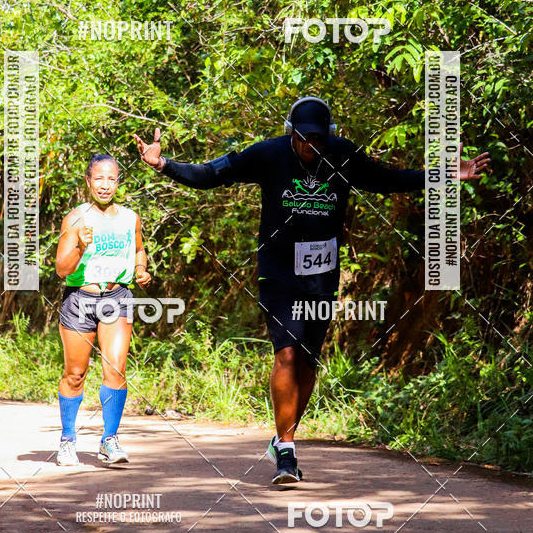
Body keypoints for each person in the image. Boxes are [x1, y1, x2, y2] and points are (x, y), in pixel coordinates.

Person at [134, 97, 491, 484]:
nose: (310, 146)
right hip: (278, 270)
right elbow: (212, 174)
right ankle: (286, 449)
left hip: (321, 274)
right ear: (291, 133)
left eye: (317, 140)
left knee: (308, 359)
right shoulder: (268, 154)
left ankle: (283, 437)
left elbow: (389, 180)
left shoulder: (342, 154)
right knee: (286, 352)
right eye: (303, 139)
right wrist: (164, 164)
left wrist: (444, 175)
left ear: (329, 136)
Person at [55, 153, 151, 466]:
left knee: (115, 368)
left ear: (118, 182)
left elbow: (139, 249)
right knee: (75, 374)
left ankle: (109, 440)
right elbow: (61, 269)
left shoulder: (130, 217)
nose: (105, 185)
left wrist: (141, 269)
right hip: (80, 298)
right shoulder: (75, 219)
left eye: (111, 179)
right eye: (99, 178)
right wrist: (80, 246)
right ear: (88, 181)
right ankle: (68, 439)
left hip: (117, 297)